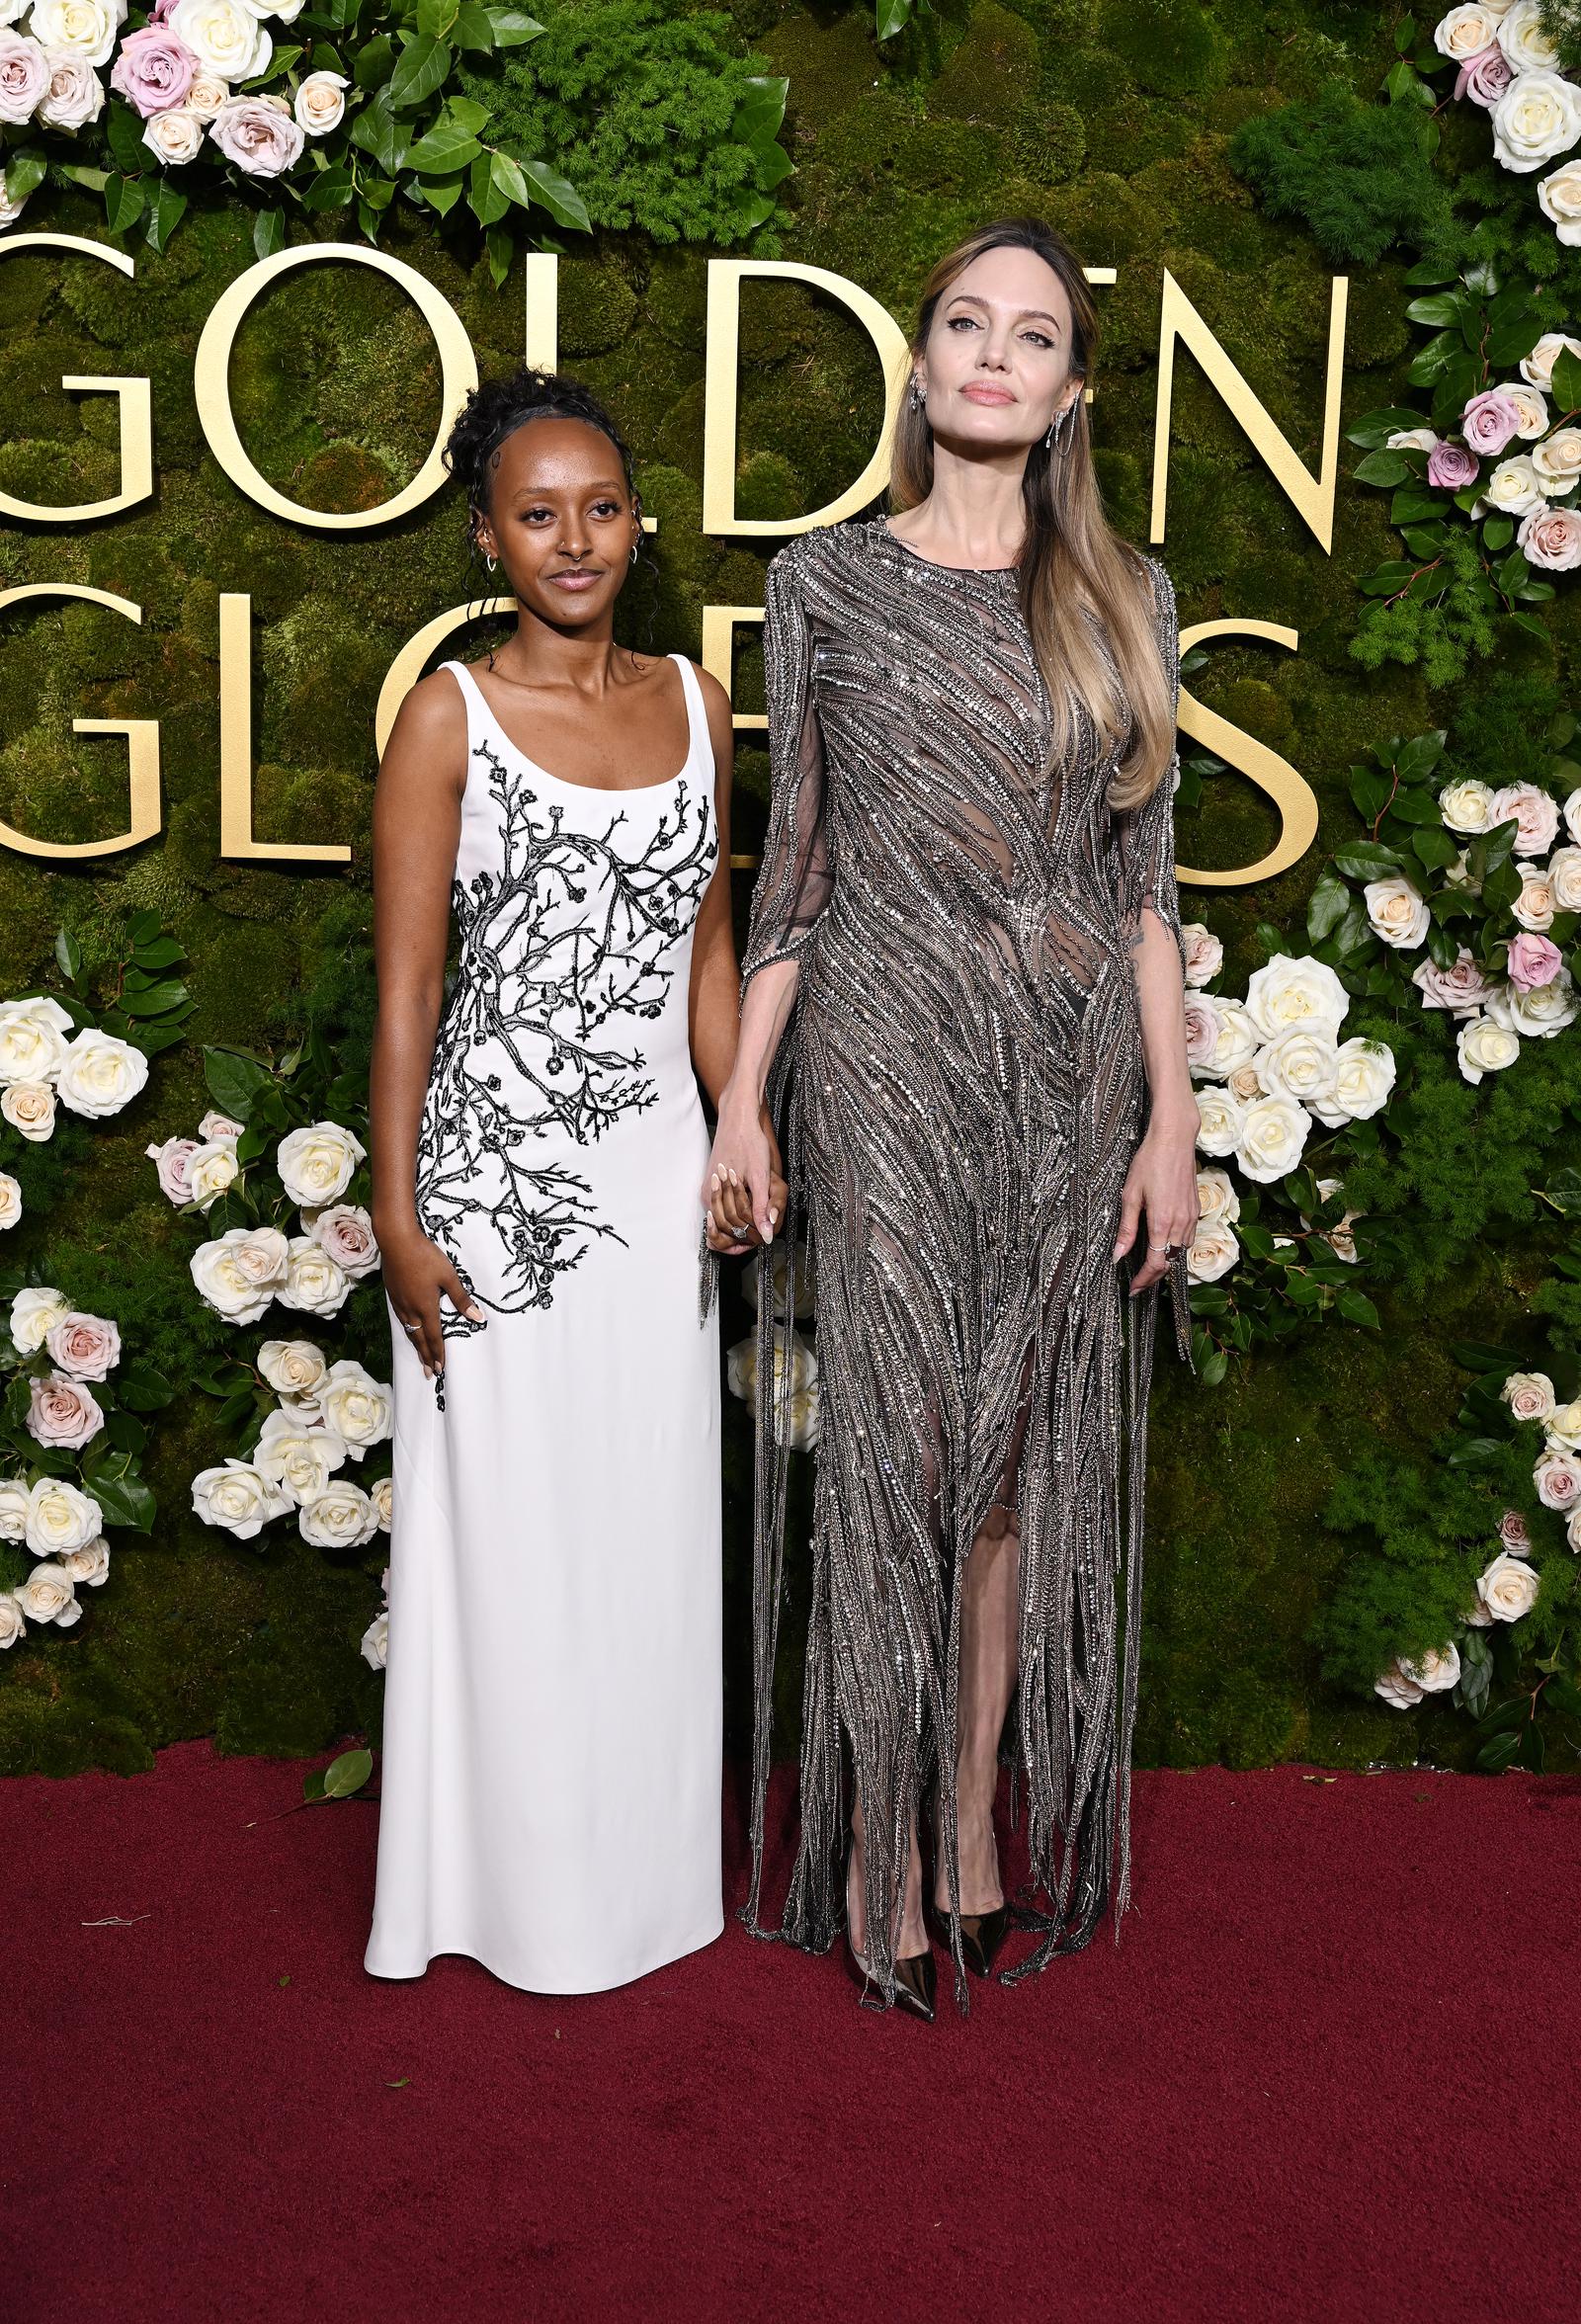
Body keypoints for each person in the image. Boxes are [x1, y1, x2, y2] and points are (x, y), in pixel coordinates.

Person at [706, 218, 1198, 2021]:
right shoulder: (824, 582)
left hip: (1069, 1084)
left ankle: (972, 1840)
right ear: (922, 367)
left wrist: (1174, 1124)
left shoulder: (1125, 600)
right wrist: (744, 1105)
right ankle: (866, 1843)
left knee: (1001, 1485)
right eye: (968, 326)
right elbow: (801, 872)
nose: (997, 355)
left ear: (1071, 393)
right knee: (898, 1466)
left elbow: (1144, 885)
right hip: (883, 1057)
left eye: (1036, 336)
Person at [365, 369, 779, 1995]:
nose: (575, 538)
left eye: (600, 507)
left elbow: (713, 953)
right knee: (510, 1541)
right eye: (537, 514)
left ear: (636, 521)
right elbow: (407, 988)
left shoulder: (694, 698)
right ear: (487, 539)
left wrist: (743, 1127)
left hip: (655, 1184)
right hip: (492, 1189)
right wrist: (398, 1215)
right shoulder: (445, 716)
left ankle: (643, 1886)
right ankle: (507, 1899)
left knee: (646, 1531)